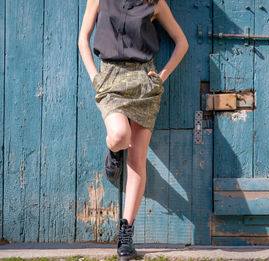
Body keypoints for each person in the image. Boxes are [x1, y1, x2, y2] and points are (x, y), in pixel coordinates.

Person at [78, 0, 188, 259]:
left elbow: (182, 41)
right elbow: (83, 38)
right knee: (119, 135)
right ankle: (114, 150)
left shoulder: (155, 3)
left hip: (144, 82)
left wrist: (161, 76)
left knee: (137, 159)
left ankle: (125, 237)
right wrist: (95, 76)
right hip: (110, 78)